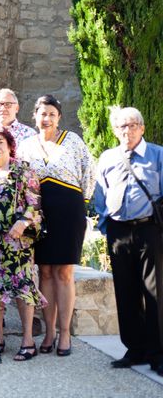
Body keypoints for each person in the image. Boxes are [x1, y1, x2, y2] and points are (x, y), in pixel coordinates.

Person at [18, 95, 95, 356]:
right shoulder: (26, 145)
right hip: (39, 211)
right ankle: (49, 331)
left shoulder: (73, 141)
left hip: (69, 209)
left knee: (64, 272)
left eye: (52, 113)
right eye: (42, 113)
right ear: (35, 116)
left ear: (59, 117)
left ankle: (64, 333)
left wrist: (82, 203)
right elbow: (21, 178)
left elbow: (89, 172)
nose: (47, 118)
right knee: (45, 271)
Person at [94, 106, 163, 375]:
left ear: (142, 128)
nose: (128, 130)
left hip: (149, 231)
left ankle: (157, 354)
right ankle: (134, 349)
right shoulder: (108, 157)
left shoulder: (158, 154)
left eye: (133, 125)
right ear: (115, 130)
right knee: (125, 291)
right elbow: (100, 195)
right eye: (122, 126)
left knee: (154, 291)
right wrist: (105, 225)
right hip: (118, 232)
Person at [0, 126, 45, 362]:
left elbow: (35, 204)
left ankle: (28, 342)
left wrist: (23, 223)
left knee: (22, 289)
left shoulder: (22, 170)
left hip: (17, 242)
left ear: (10, 145)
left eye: (0, 142)